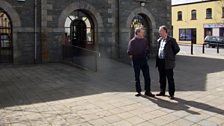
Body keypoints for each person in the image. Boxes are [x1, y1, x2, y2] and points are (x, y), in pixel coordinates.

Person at [127, 27, 155, 97]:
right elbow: (129, 52)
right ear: (138, 33)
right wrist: (134, 56)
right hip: (136, 61)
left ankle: (147, 91)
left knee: (147, 77)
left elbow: (147, 49)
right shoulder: (132, 41)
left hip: (144, 61)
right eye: (142, 32)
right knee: (137, 77)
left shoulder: (144, 40)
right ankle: (138, 91)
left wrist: (147, 56)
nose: (143, 33)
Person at [156, 25, 180, 100]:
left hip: (168, 62)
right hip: (160, 61)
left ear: (165, 31)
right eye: (159, 31)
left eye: (161, 31)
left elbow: (177, 49)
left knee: (170, 78)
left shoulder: (171, 40)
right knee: (161, 78)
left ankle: (171, 93)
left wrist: (171, 56)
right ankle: (162, 91)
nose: (159, 33)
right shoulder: (160, 40)